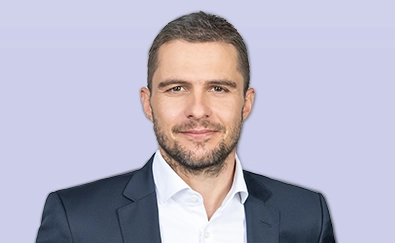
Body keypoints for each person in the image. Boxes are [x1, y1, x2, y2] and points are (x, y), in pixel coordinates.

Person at [36, 11, 335, 243]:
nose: (197, 110)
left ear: (246, 103)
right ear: (147, 102)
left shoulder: (307, 217)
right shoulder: (76, 219)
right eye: (177, 88)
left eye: (218, 88)